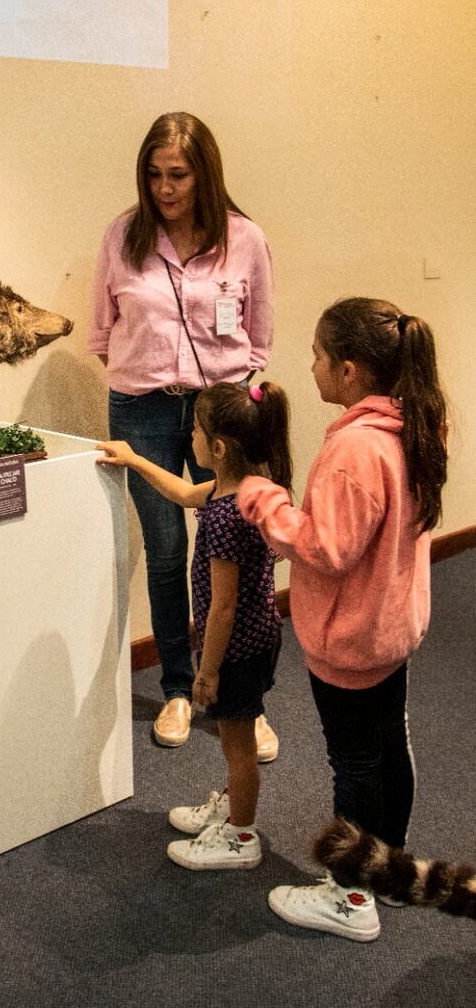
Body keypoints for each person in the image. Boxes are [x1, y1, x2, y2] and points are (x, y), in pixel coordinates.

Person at [238, 298, 448, 941]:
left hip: (352, 640)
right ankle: (389, 869)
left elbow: (325, 548)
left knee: (354, 762)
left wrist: (263, 498)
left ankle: (351, 897)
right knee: (389, 748)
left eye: (319, 357)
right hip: (391, 628)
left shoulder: (356, 448)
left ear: (351, 370)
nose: (312, 367)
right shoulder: (415, 421)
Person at [88, 111, 279, 756]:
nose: (165, 188)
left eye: (178, 174)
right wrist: (148, 375)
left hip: (220, 413)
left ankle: (242, 698)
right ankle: (176, 685)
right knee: (168, 555)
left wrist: (228, 404)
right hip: (141, 410)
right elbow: (101, 331)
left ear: (205, 173)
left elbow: (261, 336)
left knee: (235, 554)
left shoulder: (244, 238)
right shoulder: (122, 236)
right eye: (153, 174)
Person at [96, 379, 292, 869]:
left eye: (198, 432)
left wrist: (206, 671)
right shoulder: (246, 488)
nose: (192, 438)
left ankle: (241, 836)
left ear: (218, 448)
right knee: (236, 739)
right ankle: (233, 805)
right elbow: (184, 493)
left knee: (237, 745)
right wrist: (136, 459)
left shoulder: (228, 517)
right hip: (257, 638)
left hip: (236, 650)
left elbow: (223, 608)